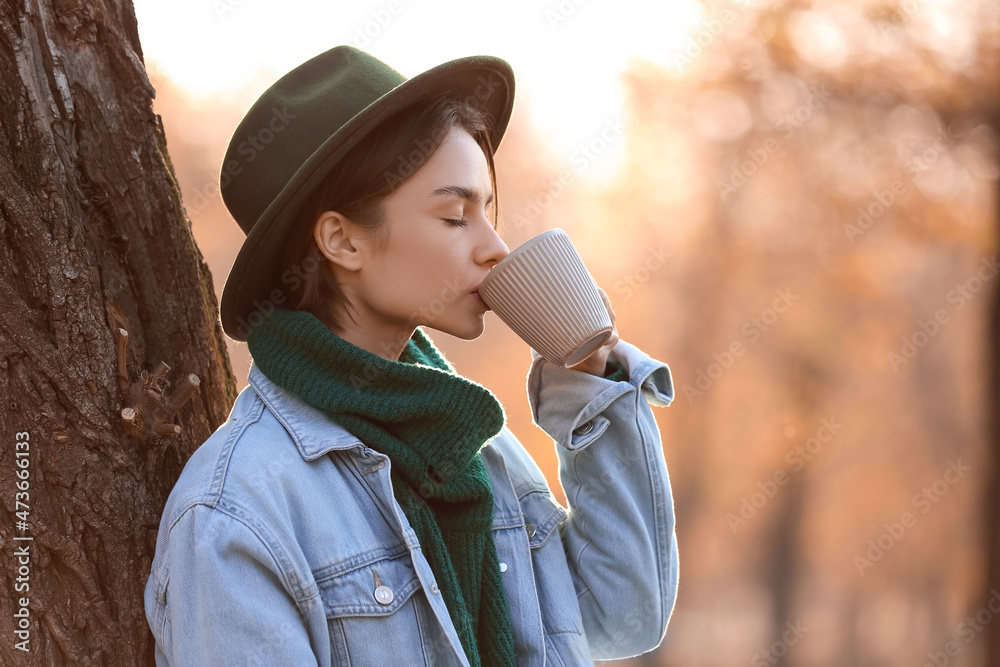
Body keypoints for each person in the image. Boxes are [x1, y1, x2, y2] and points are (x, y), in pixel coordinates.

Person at [144, 45, 679, 667]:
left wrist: (590, 386)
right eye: (455, 216)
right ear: (342, 239)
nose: (496, 247)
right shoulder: (234, 512)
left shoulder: (471, 444)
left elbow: (623, 617)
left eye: (489, 212)